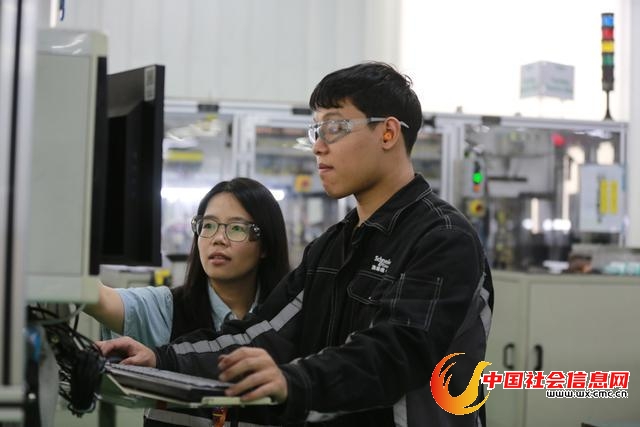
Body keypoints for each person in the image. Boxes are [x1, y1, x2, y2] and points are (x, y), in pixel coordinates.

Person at [98, 61, 494, 427]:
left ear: (388, 133)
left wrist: (294, 380)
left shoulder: (443, 238)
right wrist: (160, 359)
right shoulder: (332, 248)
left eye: (335, 127)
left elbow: (394, 353)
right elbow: (264, 332)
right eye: (316, 130)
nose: (319, 146)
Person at [85, 177, 290, 426]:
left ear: (265, 245)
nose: (218, 238)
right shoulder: (166, 309)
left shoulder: (287, 320)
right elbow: (99, 298)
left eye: (236, 228)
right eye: (208, 225)